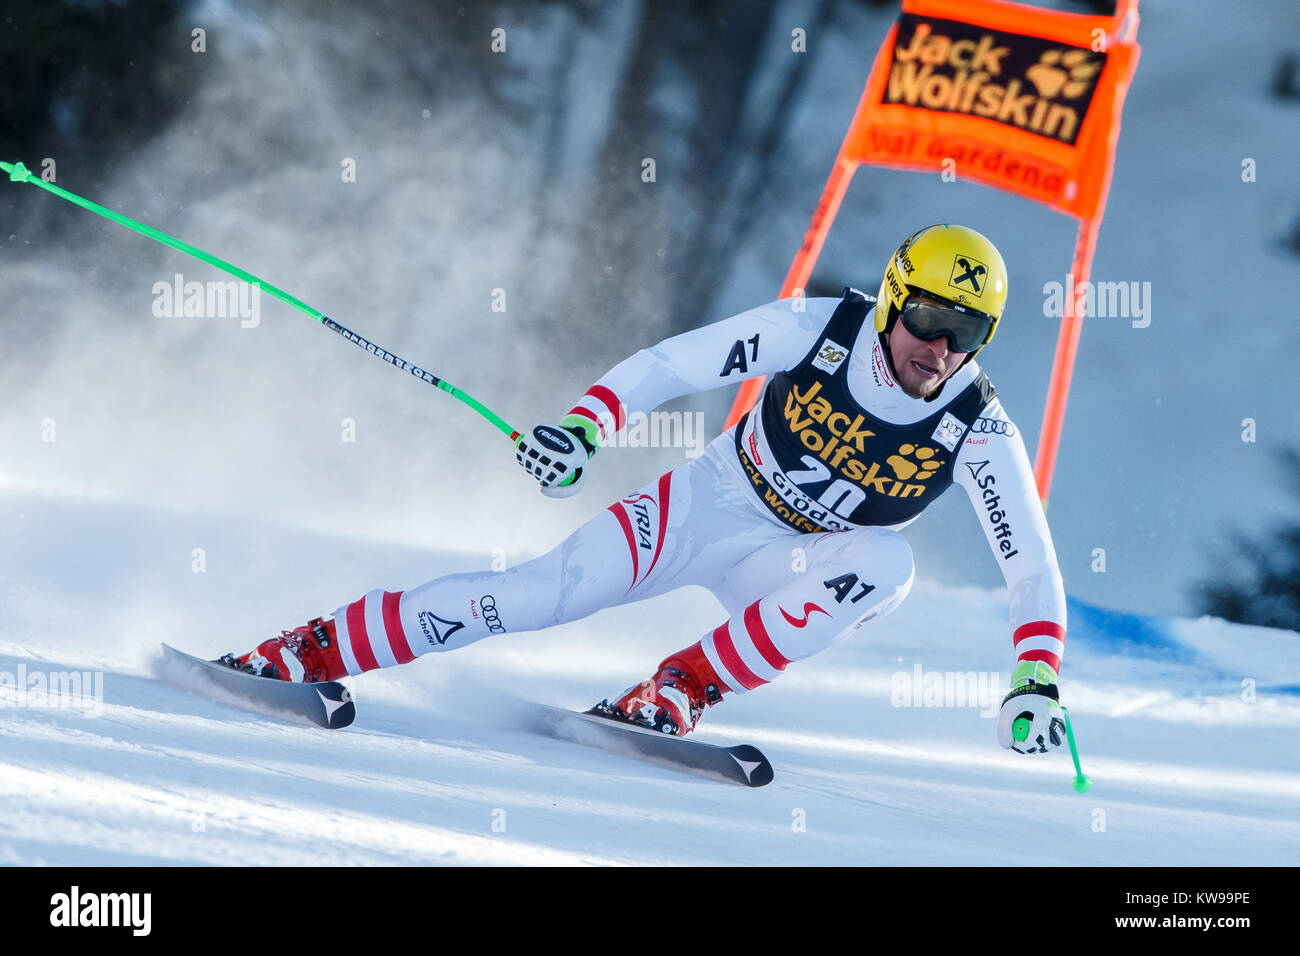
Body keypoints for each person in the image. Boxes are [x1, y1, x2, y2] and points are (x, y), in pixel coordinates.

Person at [226, 224, 1068, 755]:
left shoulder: (977, 426)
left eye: (969, 333)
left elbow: (1028, 559)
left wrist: (1037, 673)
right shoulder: (818, 330)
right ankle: (306, 650)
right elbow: (675, 362)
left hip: (795, 565)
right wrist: (587, 427)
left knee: (888, 563)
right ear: (893, 301)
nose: (941, 349)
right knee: (531, 597)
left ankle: (678, 689)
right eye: (929, 319)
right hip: (709, 505)